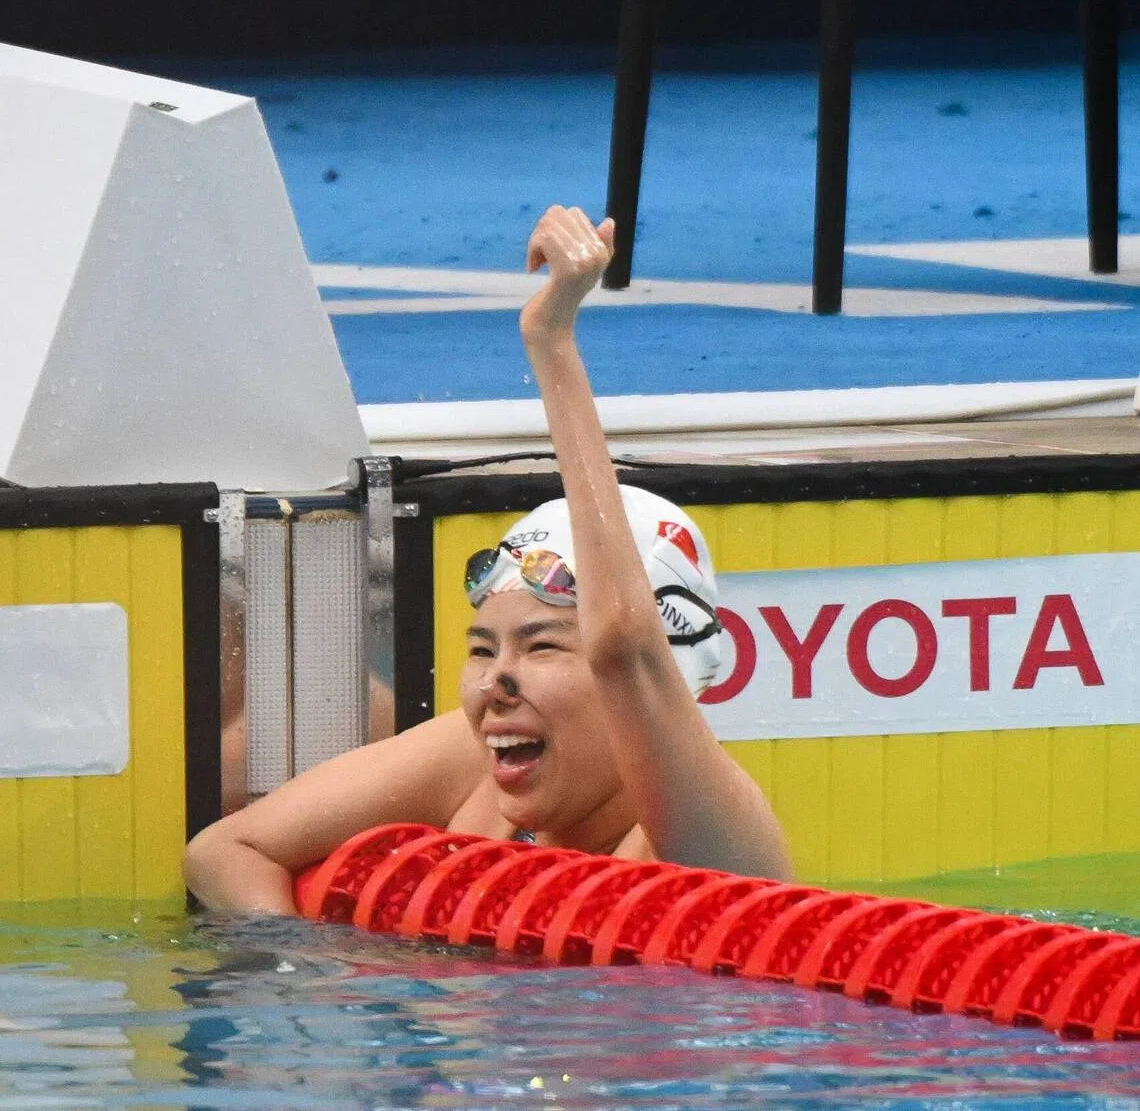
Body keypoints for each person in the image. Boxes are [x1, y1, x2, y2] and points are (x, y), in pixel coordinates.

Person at [183, 205, 792, 914]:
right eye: (482, 647)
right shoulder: (470, 763)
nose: (496, 680)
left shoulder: (712, 840)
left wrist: (551, 340)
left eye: (542, 647)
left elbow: (626, 644)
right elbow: (225, 852)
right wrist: (302, 986)